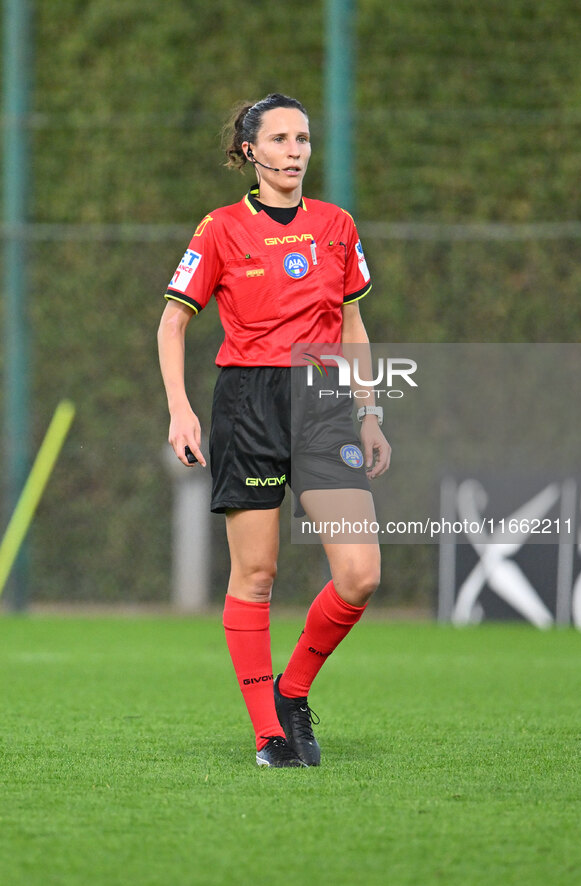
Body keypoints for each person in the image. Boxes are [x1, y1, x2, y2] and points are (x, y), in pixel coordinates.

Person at [157, 93, 391, 768]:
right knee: (255, 573)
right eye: (281, 139)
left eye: (304, 139)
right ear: (250, 151)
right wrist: (180, 408)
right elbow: (173, 322)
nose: (295, 151)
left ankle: (292, 693)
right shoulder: (220, 228)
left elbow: (352, 326)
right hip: (246, 402)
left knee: (359, 574)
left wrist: (368, 412)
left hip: (320, 405)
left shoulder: (336, 226)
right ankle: (269, 735)